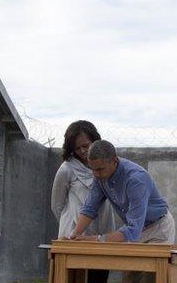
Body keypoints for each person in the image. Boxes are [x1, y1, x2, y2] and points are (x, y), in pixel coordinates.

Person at [70, 139, 175, 283]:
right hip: (136, 227)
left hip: (158, 228)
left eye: (100, 169)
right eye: (92, 169)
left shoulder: (136, 179)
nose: (96, 174)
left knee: (152, 278)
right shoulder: (99, 176)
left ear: (114, 161)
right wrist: (74, 237)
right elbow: (90, 207)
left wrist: (97, 239)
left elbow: (133, 231)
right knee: (130, 278)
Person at [51, 120, 115, 283]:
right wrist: (73, 224)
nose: (82, 151)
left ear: (95, 141)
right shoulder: (67, 169)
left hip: (103, 231)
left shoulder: (107, 165)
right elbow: (57, 205)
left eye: (86, 146)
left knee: (99, 277)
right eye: (77, 148)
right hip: (75, 235)